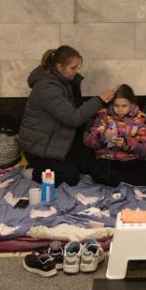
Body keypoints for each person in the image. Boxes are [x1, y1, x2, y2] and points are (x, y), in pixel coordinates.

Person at [19, 45, 116, 187]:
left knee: (90, 165)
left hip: (60, 142)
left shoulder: (65, 82)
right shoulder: (47, 87)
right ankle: (32, 171)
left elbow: (78, 109)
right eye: (73, 68)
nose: (76, 72)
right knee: (70, 176)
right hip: (40, 149)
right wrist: (100, 99)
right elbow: (73, 118)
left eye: (78, 68)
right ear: (60, 67)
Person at [83, 84, 146, 187]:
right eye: (116, 106)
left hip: (130, 160)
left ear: (132, 104)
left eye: (124, 106)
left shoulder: (141, 118)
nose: (120, 110)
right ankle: (137, 182)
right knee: (97, 171)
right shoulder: (103, 115)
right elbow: (90, 142)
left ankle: (121, 180)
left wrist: (126, 144)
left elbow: (144, 148)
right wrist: (102, 136)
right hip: (107, 160)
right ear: (111, 103)